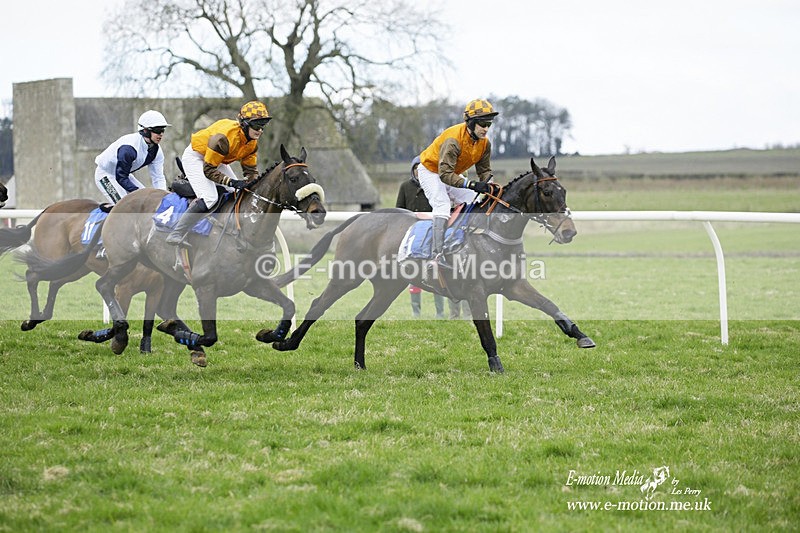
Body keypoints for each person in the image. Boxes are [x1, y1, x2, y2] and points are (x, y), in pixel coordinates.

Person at [166, 101, 272, 246]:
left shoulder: (252, 142)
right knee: (210, 198)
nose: (260, 130)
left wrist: (254, 186)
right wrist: (231, 181)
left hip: (217, 159)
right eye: (256, 125)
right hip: (196, 157)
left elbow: (251, 172)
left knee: (238, 192)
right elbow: (209, 170)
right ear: (244, 124)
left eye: (262, 126)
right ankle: (176, 233)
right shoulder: (224, 138)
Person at [416, 98, 497, 263]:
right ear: (471, 122)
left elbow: (484, 170)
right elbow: (445, 174)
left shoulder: (484, 144)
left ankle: (463, 244)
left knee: (472, 201)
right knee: (442, 204)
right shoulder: (453, 140)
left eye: (489, 123)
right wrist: (472, 184)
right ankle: (436, 255)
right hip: (431, 171)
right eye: (482, 123)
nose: (486, 128)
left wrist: (490, 185)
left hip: (451, 173)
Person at [396, 156, 445, 318]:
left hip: (431, 233)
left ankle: (440, 312)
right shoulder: (405, 187)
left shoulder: (435, 186)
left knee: (435, 270)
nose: (419, 172)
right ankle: (416, 313)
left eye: (422, 169)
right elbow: (399, 210)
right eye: (416, 168)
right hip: (413, 235)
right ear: (413, 170)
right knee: (413, 270)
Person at [94, 110, 171, 204]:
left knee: (147, 203)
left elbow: (158, 177)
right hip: (106, 175)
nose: (161, 134)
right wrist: (138, 193)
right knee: (124, 208)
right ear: (145, 130)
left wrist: (162, 198)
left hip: (125, 175)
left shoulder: (157, 151)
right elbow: (121, 178)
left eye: (163, 130)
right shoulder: (129, 149)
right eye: (158, 130)